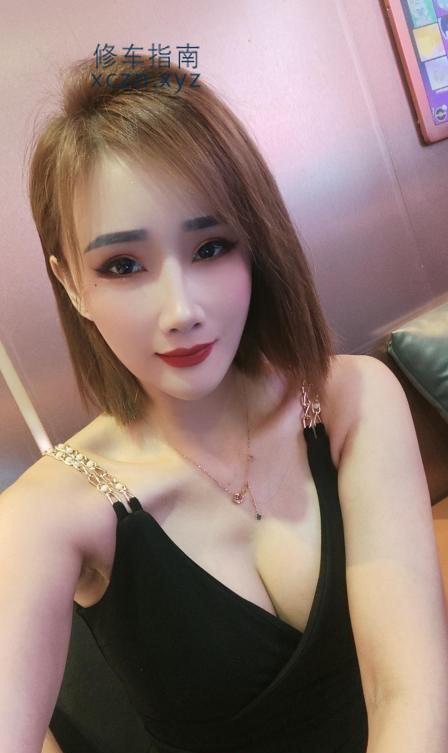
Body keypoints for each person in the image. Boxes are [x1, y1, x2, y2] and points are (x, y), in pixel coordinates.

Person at [1, 56, 447, 753]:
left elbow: (406, 693)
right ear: (72, 283)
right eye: (123, 265)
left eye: (211, 247)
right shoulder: (47, 512)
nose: (181, 310)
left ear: (255, 245)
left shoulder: (352, 400)